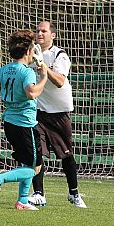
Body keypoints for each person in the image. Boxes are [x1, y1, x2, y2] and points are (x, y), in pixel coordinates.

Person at [0, 29, 48, 210]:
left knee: (27, 163)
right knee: (35, 168)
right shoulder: (27, 72)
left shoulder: (4, 70)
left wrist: (2, 85)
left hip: (9, 123)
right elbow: (32, 93)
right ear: (28, 51)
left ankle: (22, 201)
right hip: (26, 124)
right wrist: (44, 78)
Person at [27, 21, 87, 208]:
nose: (39, 34)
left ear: (53, 35)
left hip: (59, 113)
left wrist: (43, 66)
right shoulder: (29, 54)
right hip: (38, 112)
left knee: (66, 154)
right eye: (37, 31)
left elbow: (60, 81)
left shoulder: (59, 55)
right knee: (35, 152)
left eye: (43, 31)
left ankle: (74, 193)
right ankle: (38, 194)